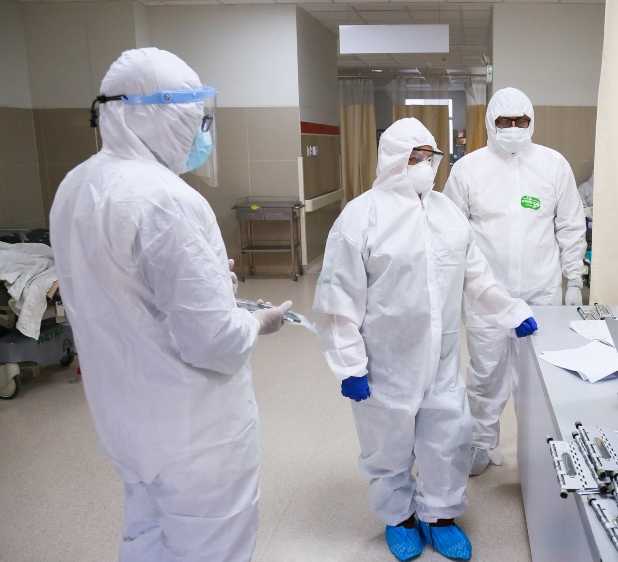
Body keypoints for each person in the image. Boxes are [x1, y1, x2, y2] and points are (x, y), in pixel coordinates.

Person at [50, 48, 292, 561]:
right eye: (195, 118)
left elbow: (120, 289)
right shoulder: (167, 198)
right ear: (155, 114)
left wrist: (211, 284)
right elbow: (214, 344)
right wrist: (256, 322)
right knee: (209, 545)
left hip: (125, 421)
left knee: (147, 534)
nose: (202, 132)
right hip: (193, 435)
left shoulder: (77, 185)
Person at [313, 118, 536, 561]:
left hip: (442, 359)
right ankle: (398, 518)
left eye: (429, 156)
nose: (423, 165)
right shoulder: (361, 216)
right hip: (385, 362)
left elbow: (477, 275)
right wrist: (350, 365)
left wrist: (511, 312)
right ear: (392, 159)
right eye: (413, 156)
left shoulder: (446, 213)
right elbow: (338, 299)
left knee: (448, 439)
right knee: (387, 446)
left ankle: (439, 516)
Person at [443, 87, 586, 475]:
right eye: (504, 122)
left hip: (541, 292)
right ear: (491, 123)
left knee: (537, 376)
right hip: (486, 294)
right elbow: (450, 232)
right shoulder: (468, 169)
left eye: (521, 121)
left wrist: (575, 279)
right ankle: (479, 443)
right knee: (486, 374)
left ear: (531, 121)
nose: (513, 128)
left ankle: (539, 449)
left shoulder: (553, 165)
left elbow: (570, 224)